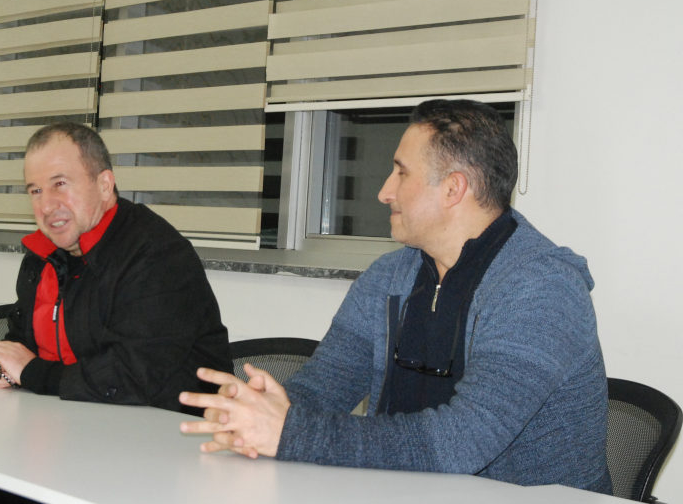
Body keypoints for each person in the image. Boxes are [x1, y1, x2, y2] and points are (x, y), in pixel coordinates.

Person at [179, 99, 613, 494]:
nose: (384, 191)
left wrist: (290, 432)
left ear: (453, 189)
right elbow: (325, 386)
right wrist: (261, 410)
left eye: (401, 173)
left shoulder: (542, 288)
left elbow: (462, 442)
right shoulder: (389, 276)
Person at [0, 121, 232, 504]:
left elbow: (131, 376)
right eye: (35, 190)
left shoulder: (156, 255)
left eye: (60, 184)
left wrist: (31, 371)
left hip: (166, 448)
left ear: (105, 185)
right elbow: (22, 341)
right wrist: (4, 363)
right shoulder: (45, 254)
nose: (46, 205)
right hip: (76, 425)